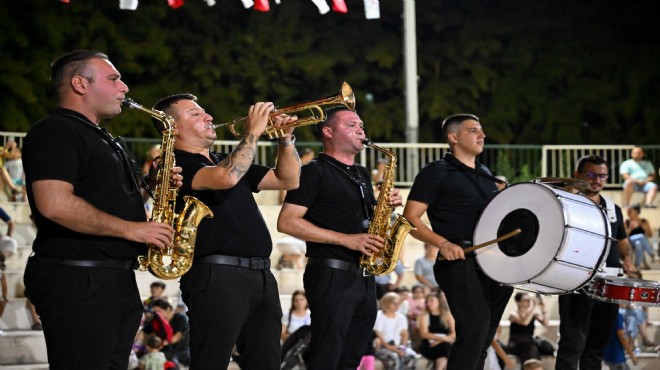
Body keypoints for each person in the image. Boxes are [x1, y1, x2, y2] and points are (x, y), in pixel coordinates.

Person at [21, 50, 180, 370]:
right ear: (80, 84)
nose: (124, 87)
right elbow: (55, 204)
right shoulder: (55, 131)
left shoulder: (103, 138)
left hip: (110, 278)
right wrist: (133, 230)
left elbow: (108, 200)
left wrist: (153, 183)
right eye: (113, 78)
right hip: (78, 279)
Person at [151, 92, 300, 370]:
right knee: (211, 362)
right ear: (172, 128)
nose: (208, 116)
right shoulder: (172, 164)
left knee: (266, 362)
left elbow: (287, 178)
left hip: (260, 275)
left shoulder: (222, 157)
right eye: (195, 114)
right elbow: (226, 177)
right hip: (216, 275)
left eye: (204, 111)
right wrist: (253, 132)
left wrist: (285, 138)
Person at [277, 106, 403, 369]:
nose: (361, 129)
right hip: (331, 274)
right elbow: (287, 221)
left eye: (361, 125)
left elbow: (360, 221)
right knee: (327, 356)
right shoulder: (313, 171)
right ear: (328, 132)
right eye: (351, 125)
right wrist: (347, 239)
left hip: (364, 277)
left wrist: (385, 207)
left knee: (351, 358)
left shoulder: (362, 174)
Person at [403, 113, 513, 370]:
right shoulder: (436, 172)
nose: (482, 135)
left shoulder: (486, 174)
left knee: (483, 337)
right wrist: (442, 243)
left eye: (482, 130)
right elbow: (409, 219)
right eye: (473, 130)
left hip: (493, 261)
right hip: (458, 260)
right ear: (453, 137)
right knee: (475, 329)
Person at [555, 154, 636, 370]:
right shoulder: (566, 204)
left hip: (609, 284)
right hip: (576, 283)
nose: (597, 180)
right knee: (572, 345)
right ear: (577, 175)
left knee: (595, 347)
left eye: (602, 176)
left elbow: (623, 241)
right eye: (591, 174)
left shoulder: (613, 208)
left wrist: (627, 259)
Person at [373, 292, 418, 370]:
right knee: (394, 358)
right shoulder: (379, 316)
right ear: (386, 302)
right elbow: (378, 334)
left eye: (398, 303)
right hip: (383, 347)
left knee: (412, 356)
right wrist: (392, 348)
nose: (397, 306)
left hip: (398, 346)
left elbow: (405, 334)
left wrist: (402, 348)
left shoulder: (401, 317)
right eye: (394, 303)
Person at [507, 292, 549, 365]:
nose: (529, 301)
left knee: (529, 350)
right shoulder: (513, 314)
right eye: (525, 300)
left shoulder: (532, 314)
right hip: (515, 344)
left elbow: (545, 324)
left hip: (528, 344)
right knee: (531, 349)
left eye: (529, 299)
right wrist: (533, 307)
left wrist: (543, 309)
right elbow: (524, 323)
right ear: (518, 302)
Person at [417, 292, 455, 370]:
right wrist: (444, 339)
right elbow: (424, 334)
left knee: (445, 349)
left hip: (442, 344)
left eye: (431, 301)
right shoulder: (424, 315)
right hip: (429, 345)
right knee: (446, 350)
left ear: (439, 302)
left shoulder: (447, 315)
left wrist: (439, 341)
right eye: (427, 301)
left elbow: (454, 333)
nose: (429, 303)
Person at [151, 298, 190, 367]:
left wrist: (159, 344)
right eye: (155, 312)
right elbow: (145, 331)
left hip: (182, 350)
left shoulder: (180, 318)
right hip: (165, 352)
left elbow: (176, 338)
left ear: (168, 309)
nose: (157, 314)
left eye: (159, 311)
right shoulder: (157, 320)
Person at [625, 204, 656, 269]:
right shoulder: (627, 222)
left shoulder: (644, 221)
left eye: (630, 211)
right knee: (641, 236)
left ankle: (637, 265)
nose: (628, 212)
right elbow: (624, 236)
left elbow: (650, 235)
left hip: (642, 243)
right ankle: (652, 255)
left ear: (636, 212)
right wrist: (630, 228)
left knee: (638, 243)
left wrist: (645, 228)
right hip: (630, 242)